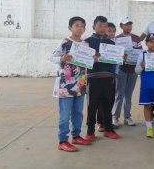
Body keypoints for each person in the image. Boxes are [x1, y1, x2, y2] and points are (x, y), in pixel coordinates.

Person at [50, 16, 91, 152]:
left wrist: (93, 58)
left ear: (85, 29)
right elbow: (52, 57)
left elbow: (87, 62)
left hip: (80, 83)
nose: (80, 28)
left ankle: (76, 136)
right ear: (70, 28)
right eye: (76, 25)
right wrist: (62, 58)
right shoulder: (65, 42)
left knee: (78, 112)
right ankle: (62, 141)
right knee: (65, 114)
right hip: (65, 85)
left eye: (82, 26)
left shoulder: (85, 45)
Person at [85, 16, 120, 141]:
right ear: (94, 27)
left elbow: (115, 62)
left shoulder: (111, 43)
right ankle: (90, 132)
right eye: (100, 25)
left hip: (109, 78)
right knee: (92, 105)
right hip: (93, 79)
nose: (103, 28)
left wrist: (121, 58)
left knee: (108, 104)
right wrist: (91, 58)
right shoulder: (87, 42)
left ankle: (108, 129)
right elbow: (83, 60)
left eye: (105, 26)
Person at [112, 17, 143, 128]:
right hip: (121, 70)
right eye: (126, 24)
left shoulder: (137, 38)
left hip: (133, 70)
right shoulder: (117, 39)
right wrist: (121, 57)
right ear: (121, 26)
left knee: (128, 95)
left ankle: (127, 117)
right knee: (119, 94)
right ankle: (115, 117)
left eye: (130, 24)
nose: (128, 26)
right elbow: (114, 55)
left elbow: (140, 53)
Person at [96, 22, 117, 132]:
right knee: (100, 101)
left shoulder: (114, 45)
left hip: (112, 76)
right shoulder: (100, 45)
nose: (111, 33)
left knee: (110, 99)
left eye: (113, 31)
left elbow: (116, 61)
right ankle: (100, 122)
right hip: (101, 77)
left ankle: (107, 122)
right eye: (109, 31)